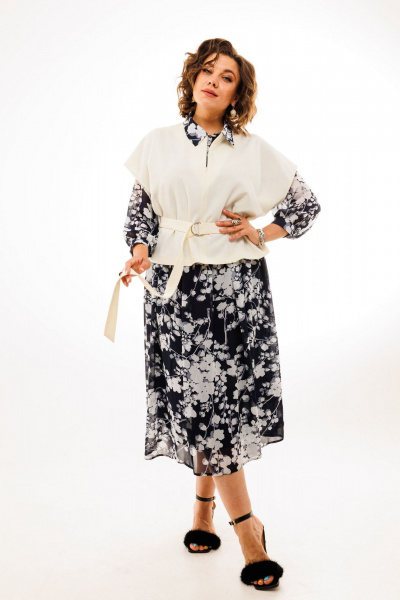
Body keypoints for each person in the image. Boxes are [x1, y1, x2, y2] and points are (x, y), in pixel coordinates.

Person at [111, 38, 321, 590]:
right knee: (200, 407)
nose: (214, 80)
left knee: (217, 410)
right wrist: (140, 254)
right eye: (207, 70)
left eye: (227, 77)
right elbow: (140, 215)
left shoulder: (252, 150)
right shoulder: (157, 143)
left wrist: (262, 230)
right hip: (174, 292)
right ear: (192, 79)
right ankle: (209, 513)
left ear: (236, 94)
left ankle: (246, 533)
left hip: (235, 294)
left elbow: (305, 205)